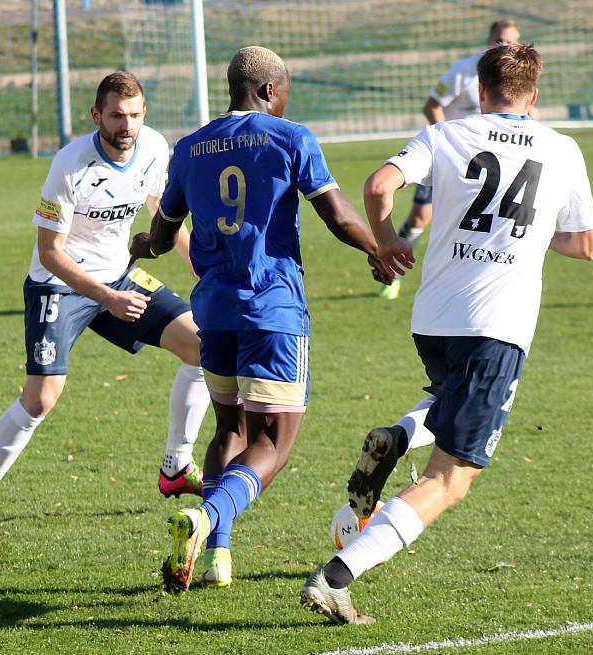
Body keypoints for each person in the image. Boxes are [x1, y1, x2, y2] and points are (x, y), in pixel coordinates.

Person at [301, 43, 593, 624]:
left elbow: (378, 185)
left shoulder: (448, 135)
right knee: (450, 478)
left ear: (480, 91)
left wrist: (387, 240)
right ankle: (337, 576)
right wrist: (537, 239)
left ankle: (398, 433)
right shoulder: (561, 148)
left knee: (450, 396)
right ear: (533, 97)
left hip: (433, 322)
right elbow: (586, 244)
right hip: (498, 327)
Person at [137, 46, 404, 593]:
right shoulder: (290, 137)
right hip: (272, 308)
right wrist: (377, 249)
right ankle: (208, 519)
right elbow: (335, 213)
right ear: (265, 90)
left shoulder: (190, 148)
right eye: (283, 93)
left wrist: (147, 243)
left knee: (229, 428)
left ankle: (217, 556)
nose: (285, 103)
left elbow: (163, 236)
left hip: (213, 308)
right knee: (275, 444)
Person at [0, 71, 212, 531]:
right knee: (41, 398)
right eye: (116, 116)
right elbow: (50, 253)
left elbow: (162, 209)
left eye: (134, 115)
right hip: (58, 285)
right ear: (97, 116)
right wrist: (107, 298)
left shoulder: (154, 147)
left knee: (202, 345)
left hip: (119, 275)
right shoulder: (69, 164)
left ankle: (175, 466)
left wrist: (198, 264)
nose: (126, 125)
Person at [380, 19, 525, 301]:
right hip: (454, 159)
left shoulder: (514, 79)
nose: (505, 45)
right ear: (489, 40)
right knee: (422, 215)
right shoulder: (463, 71)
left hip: (493, 165)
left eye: (511, 41)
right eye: (500, 40)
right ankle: (393, 274)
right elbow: (432, 105)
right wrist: (447, 142)